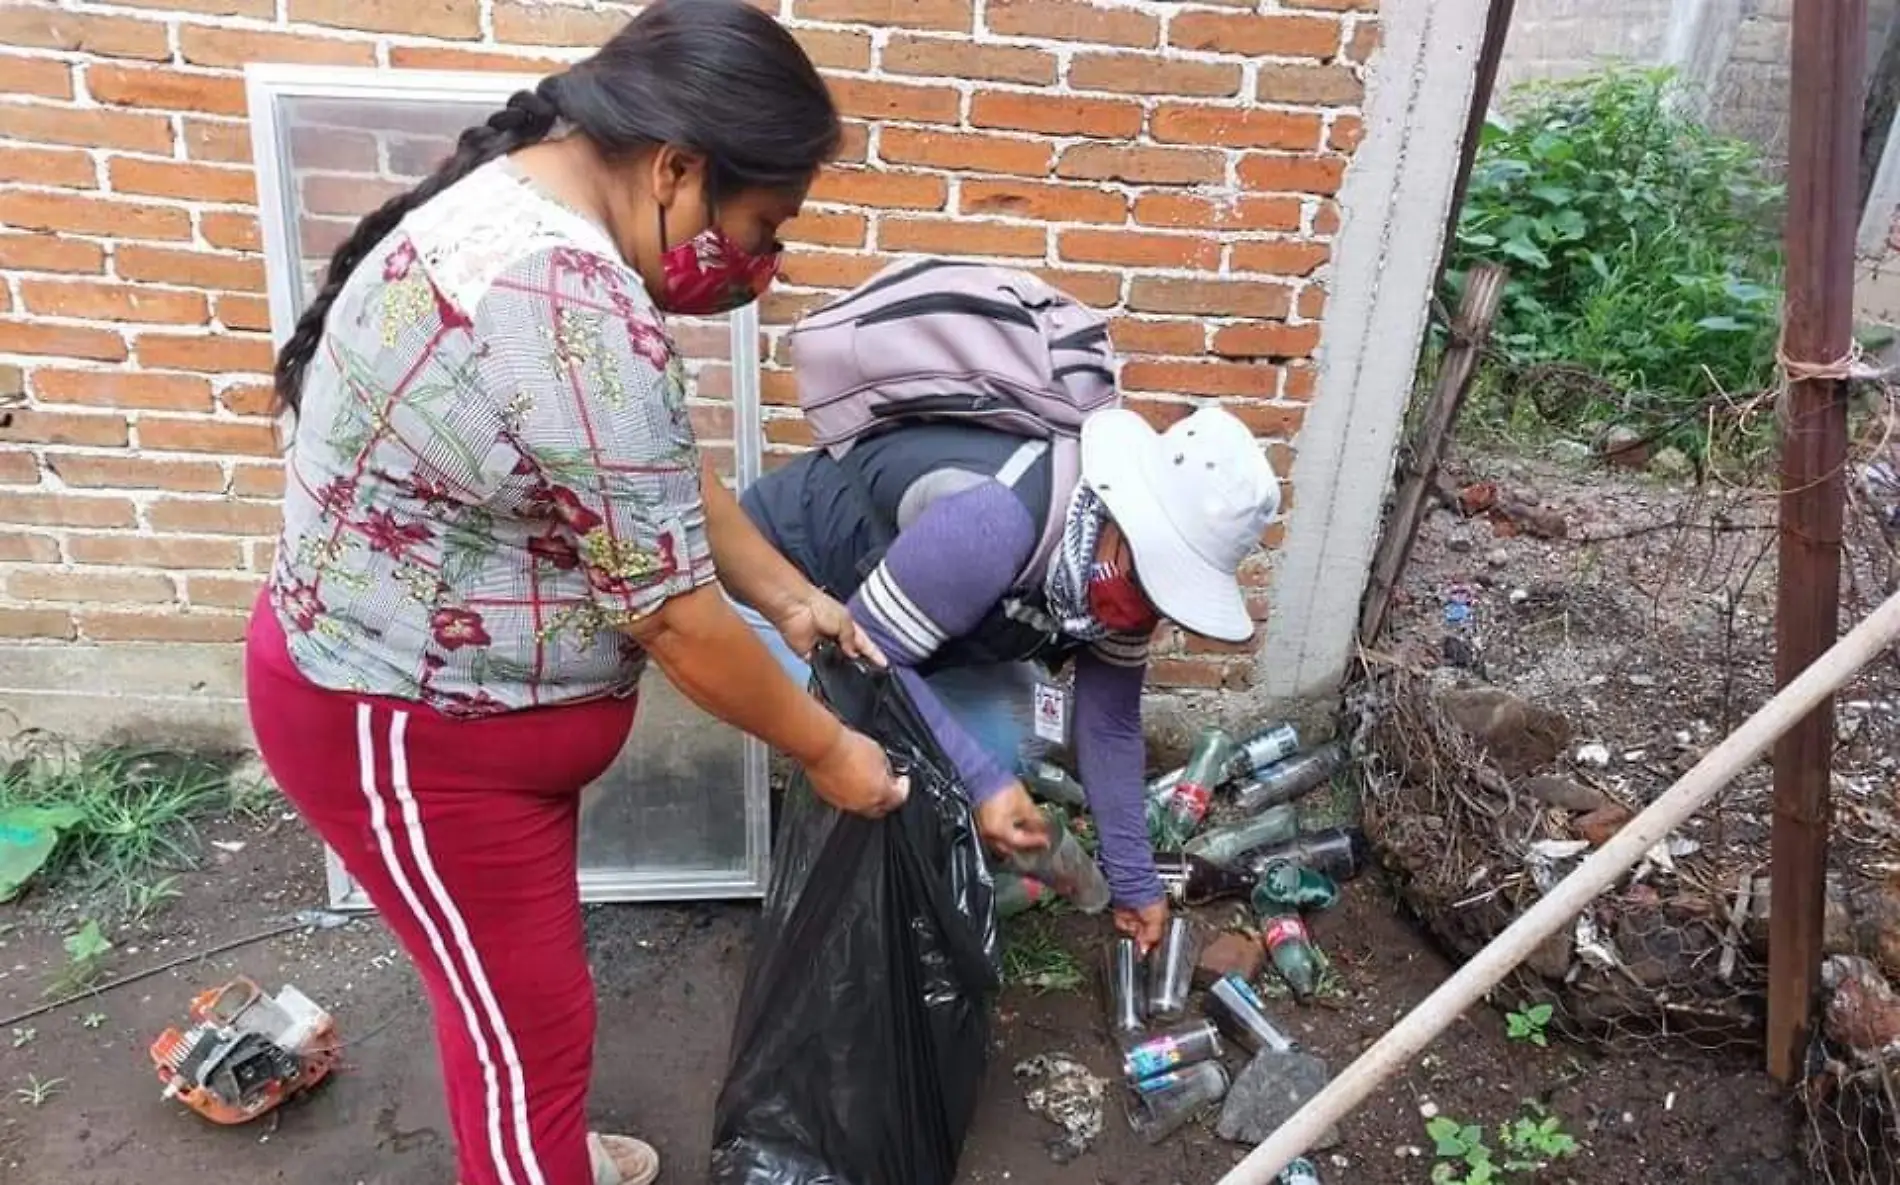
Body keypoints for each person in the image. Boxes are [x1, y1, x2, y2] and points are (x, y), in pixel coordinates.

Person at [242, 5, 906, 1184]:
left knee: (516, 1022)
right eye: (762, 226)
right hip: (406, 734)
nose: (763, 261)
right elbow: (675, 617)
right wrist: (825, 751)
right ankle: (530, 1158)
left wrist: (793, 594)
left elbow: (643, 472)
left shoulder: (532, 219)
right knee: (524, 1039)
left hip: (455, 734)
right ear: (678, 169)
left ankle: (532, 1146)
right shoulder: (564, 303)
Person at [739, 404, 1282, 954]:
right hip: (783, 590)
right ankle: (854, 913)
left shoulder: (1107, 579)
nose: (1147, 605)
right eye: (1152, 575)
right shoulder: (996, 520)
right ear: (1125, 512)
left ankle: (929, 836)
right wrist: (983, 782)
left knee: (1020, 728)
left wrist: (1135, 879)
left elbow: (1109, 724)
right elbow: (862, 659)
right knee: (937, 759)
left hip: (891, 621)